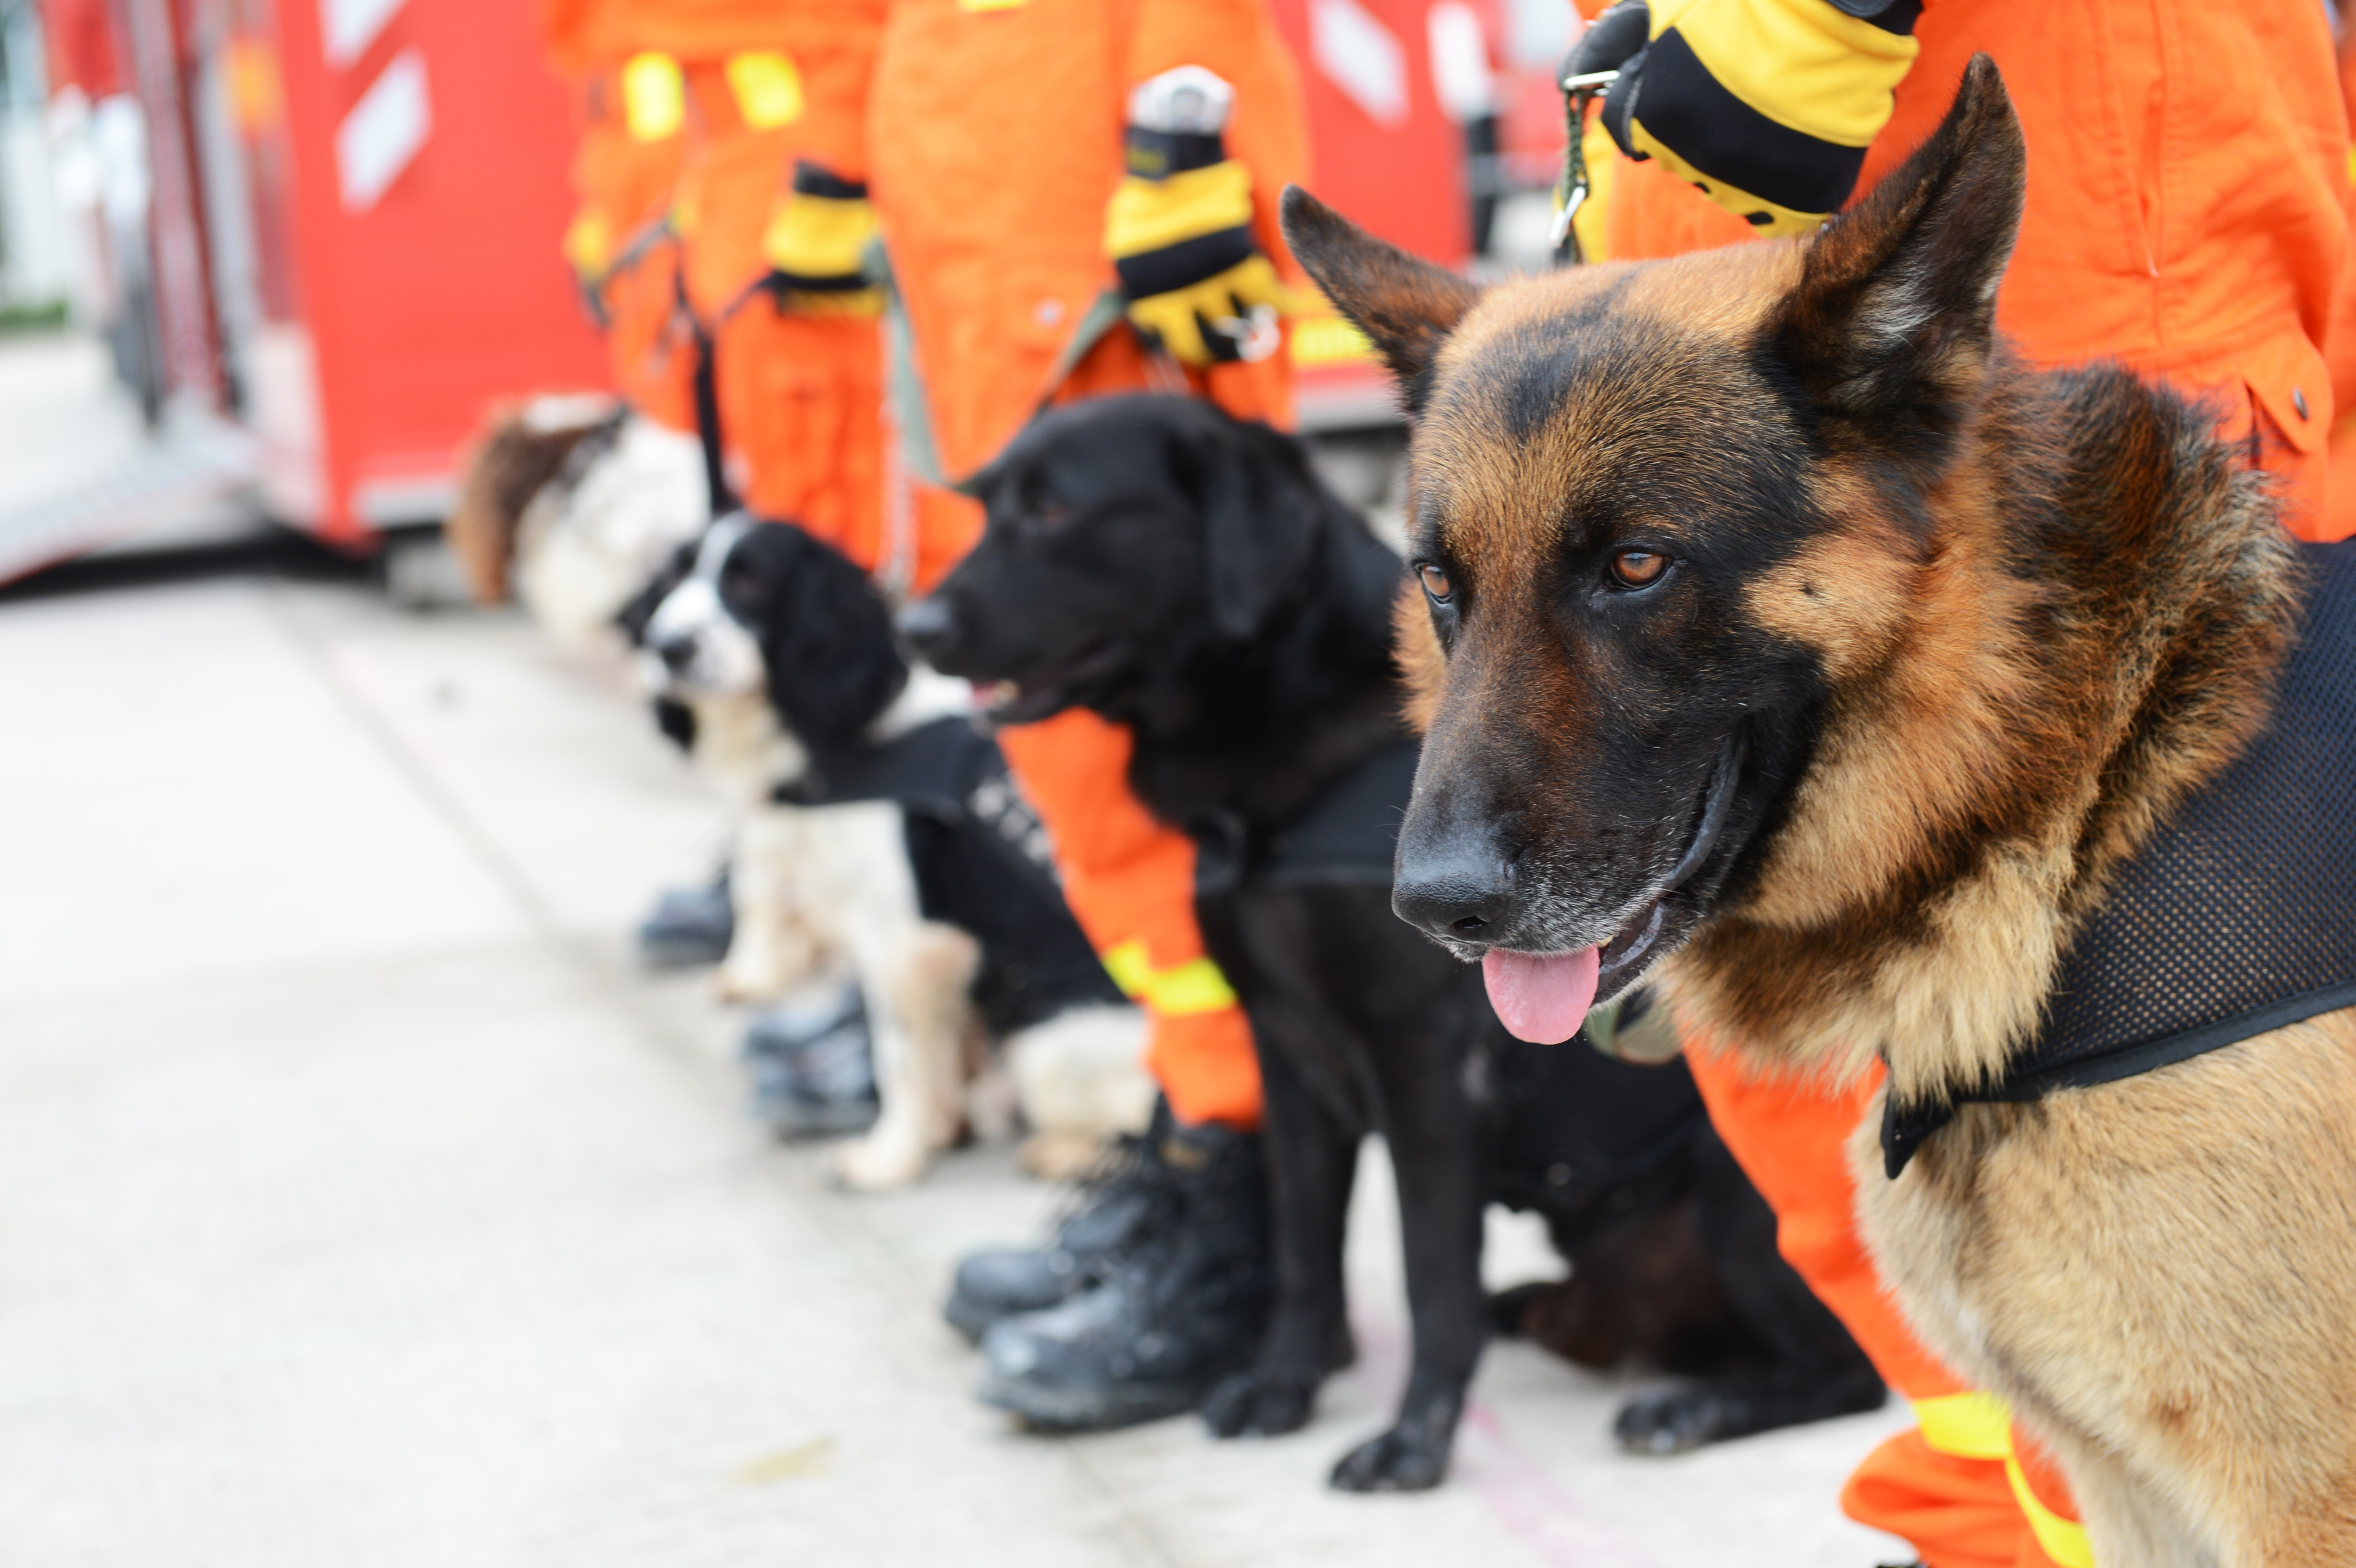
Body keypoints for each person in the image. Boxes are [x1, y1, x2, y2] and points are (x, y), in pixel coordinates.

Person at [1562, 2, 2349, 1563]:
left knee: (2145, 1238)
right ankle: (1990, 1526)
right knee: (1866, 1140)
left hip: (2050, 350)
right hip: (1748, 246)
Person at [862, 0, 1314, 1430]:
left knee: (1185, 812)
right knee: (1099, 814)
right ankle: (1197, 1147)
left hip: (1098, 267)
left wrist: (1184, 122)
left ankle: (1249, 1246)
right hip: (1004, 265)